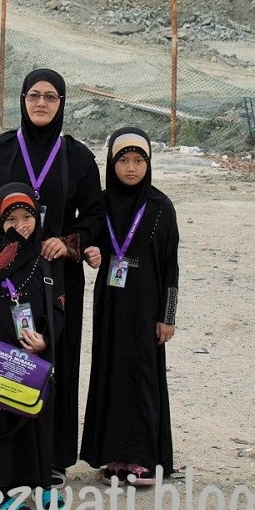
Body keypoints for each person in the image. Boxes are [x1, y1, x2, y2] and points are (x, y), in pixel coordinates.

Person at [0, 68, 103, 483]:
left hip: (55, 275)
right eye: (34, 95)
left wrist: (69, 242)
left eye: (51, 97)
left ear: (62, 104)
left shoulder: (77, 157)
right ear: (22, 100)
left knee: (53, 354)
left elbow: (95, 214)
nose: (41, 103)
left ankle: (51, 456)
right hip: (3, 274)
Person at [79, 126, 179, 485]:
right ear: (111, 163)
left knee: (143, 375)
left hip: (147, 305)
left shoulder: (161, 207)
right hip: (111, 303)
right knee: (111, 372)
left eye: (139, 160)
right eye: (123, 161)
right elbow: (88, 239)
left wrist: (168, 317)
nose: (131, 168)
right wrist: (90, 252)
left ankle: (144, 458)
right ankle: (114, 458)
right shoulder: (101, 203)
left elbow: (171, 265)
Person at [0, 183, 64, 510]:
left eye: (27, 217)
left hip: (34, 353)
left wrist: (46, 340)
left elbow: (59, 306)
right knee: (0, 419)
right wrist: (10, 247)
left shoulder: (47, 257)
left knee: (36, 418)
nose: (20, 225)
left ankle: (40, 484)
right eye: (11, 219)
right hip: (0, 353)